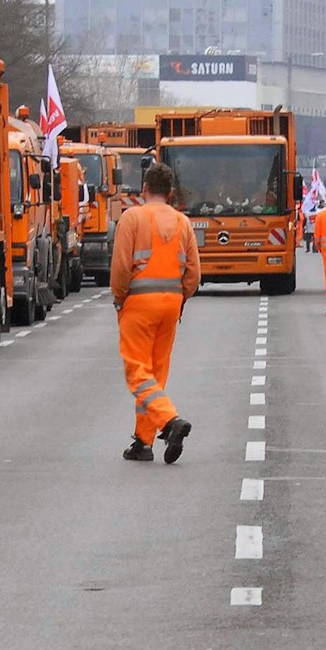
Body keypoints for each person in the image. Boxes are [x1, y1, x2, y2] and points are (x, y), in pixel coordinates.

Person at [110, 162, 200, 464]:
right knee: (155, 374)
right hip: (171, 303)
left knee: (137, 372)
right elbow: (193, 273)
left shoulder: (132, 218)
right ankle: (143, 442)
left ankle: (170, 421)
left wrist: (120, 297)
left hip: (138, 302)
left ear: (144, 189)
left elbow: (121, 267)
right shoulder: (182, 222)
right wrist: (181, 296)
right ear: (170, 192)